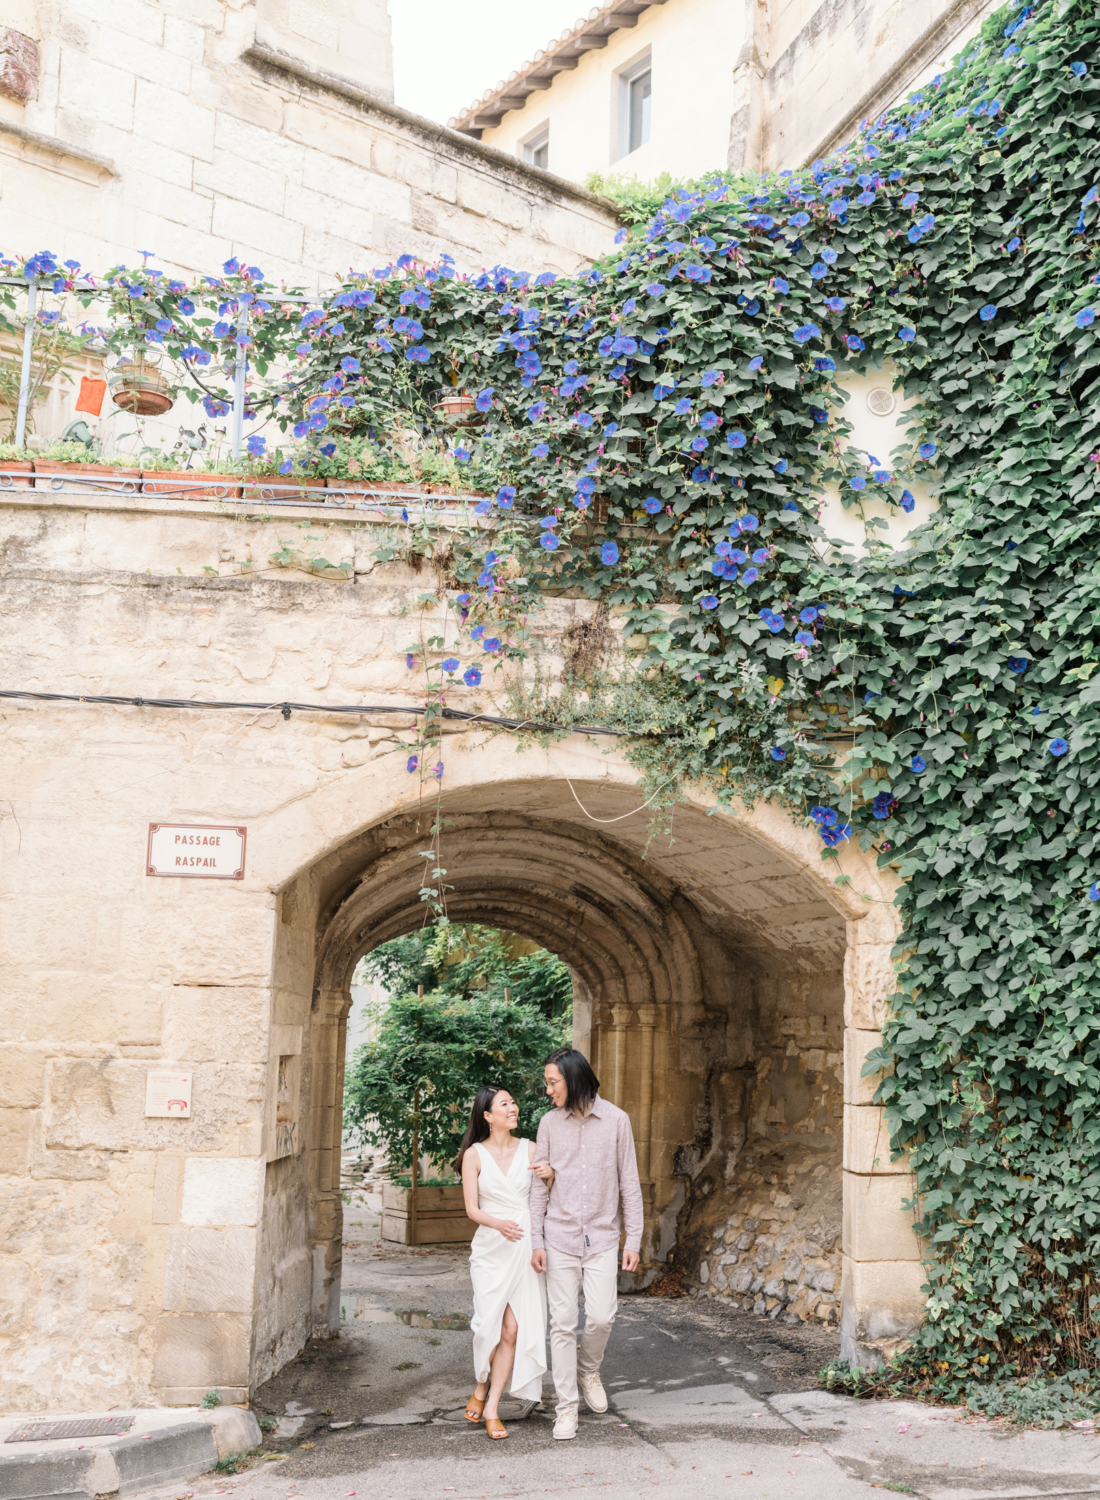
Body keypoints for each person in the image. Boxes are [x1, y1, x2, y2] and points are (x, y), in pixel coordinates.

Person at [529, 1047, 643, 1441]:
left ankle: (588, 1369)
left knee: (601, 1317)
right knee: (561, 1325)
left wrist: (635, 1239)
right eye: (547, 1083)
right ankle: (565, 1409)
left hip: (602, 1237)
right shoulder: (548, 1124)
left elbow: (630, 1182)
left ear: (573, 1079)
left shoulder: (616, 1120)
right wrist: (536, 1240)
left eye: (552, 1082)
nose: (548, 1090)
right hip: (558, 1236)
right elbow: (537, 1187)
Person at [458, 1084, 554, 1440]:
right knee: (488, 1328)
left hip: (524, 1245)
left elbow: (544, 1196)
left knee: (512, 1330)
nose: (513, 1107)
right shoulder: (474, 1155)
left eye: (514, 1102)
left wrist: (550, 1176)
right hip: (491, 1248)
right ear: (488, 1115)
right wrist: (499, 1224)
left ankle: (493, 1407)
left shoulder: (530, 1148)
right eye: (505, 1104)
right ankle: (480, 1384)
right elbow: (471, 1209)